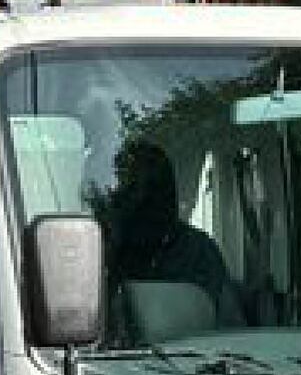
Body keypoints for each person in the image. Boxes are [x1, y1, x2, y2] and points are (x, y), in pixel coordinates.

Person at [101, 135, 245, 340]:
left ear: (168, 195)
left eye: (151, 189)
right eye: (128, 190)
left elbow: (233, 335)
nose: (139, 201)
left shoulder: (199, 251)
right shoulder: (100, 249)